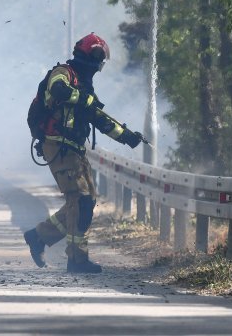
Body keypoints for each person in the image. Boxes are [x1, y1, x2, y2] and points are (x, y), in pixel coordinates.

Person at [23, 33, 144, 274]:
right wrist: (84, 99)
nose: (99, 65)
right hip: (58, 146)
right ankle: (76, 259)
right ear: (92, 55)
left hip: (74, 150)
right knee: (80, 201)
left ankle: (39, 236)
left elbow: (100, 119)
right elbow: (58, 90)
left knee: (85, 201)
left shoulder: (85, 86)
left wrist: (127, 136)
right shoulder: (63, 73)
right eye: (99, 57)